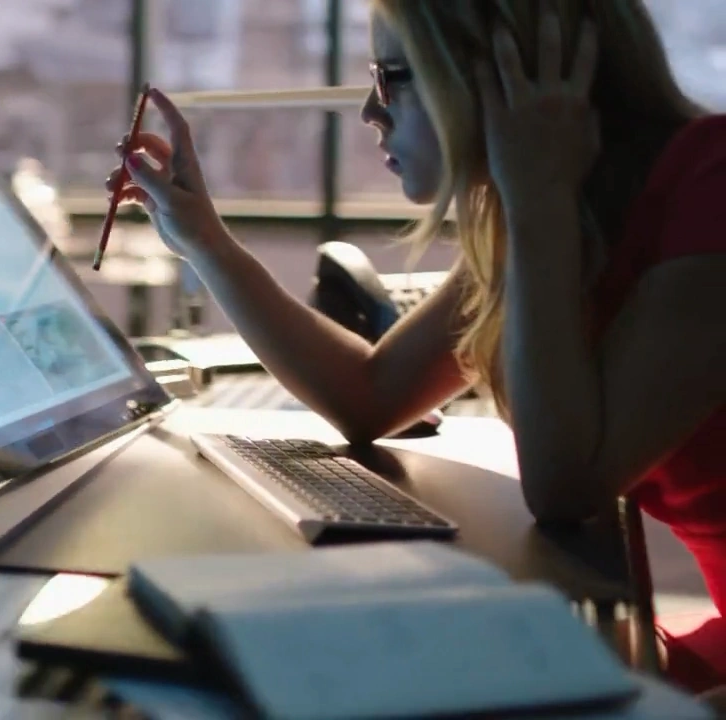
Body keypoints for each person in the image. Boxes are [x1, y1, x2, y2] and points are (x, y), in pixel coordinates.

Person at [107, 0, 726, 700]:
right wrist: (204, 241)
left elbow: (566, 487)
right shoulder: (559, 211)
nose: (372, 111)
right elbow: (371, 394)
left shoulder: (706, 184)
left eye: (393, 76)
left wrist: (539, 204)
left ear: (509, 72)